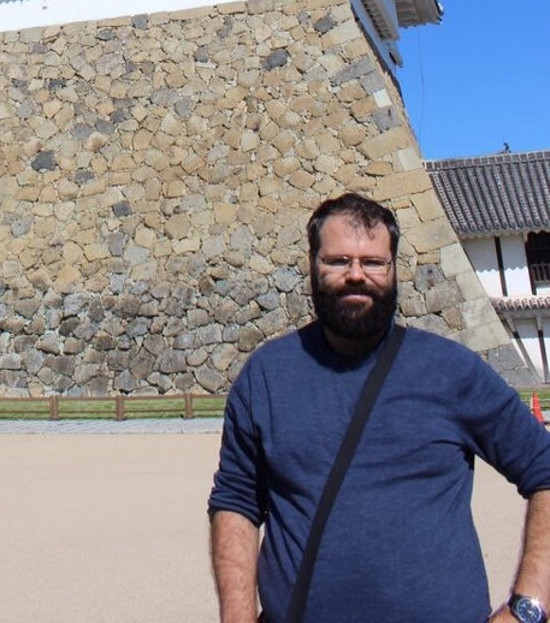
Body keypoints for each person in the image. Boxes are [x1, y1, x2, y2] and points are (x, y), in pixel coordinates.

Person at [208, 192, 550, 623]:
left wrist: (528, 608)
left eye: (372, 262)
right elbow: (236, 501)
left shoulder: (450, 371)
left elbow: (545, 468)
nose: (356, 275)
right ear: (313, 265)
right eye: (338, 261)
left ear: (392, 270)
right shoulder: (266, 377)